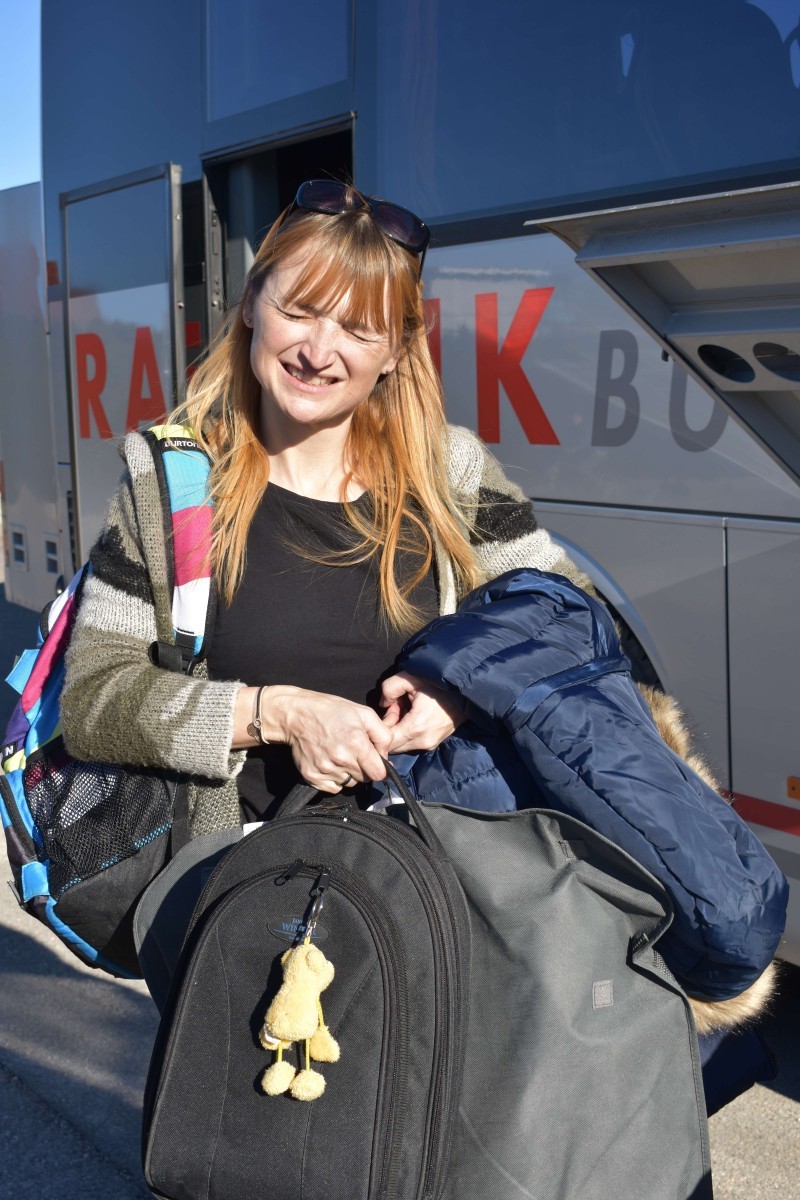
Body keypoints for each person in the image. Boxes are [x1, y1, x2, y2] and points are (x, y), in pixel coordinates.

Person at [61, 180, 784, 1037]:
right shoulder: (171, 486)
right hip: (253, 919)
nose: (319, 349)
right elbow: (95, 699)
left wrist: (462, 688)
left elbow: (573, 618)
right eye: (300, 309)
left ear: (398, 349)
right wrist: (273, 712)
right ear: (253, 303)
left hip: (447, 913)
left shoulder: (450, 475)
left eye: (358, 328)